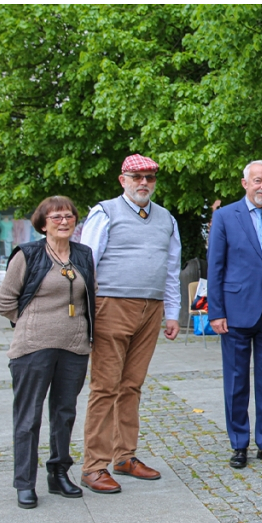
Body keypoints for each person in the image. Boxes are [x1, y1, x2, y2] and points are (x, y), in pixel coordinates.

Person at [80, 154, 181, 493]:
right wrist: (88, 311)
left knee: (132, 385)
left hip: (150, 308)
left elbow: (171, 267)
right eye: (136, 177)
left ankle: (124, 456)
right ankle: (94, 465)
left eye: (150, 178)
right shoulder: (105, 211)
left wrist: (172, 312)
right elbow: (87, 262)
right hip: (111, 304)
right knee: (105, 386)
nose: (144, 183)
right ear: (122, 179)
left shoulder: (166, 218)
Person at [0, 197, 94, 509]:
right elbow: (4, 301)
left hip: (74, 348)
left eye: (69, 216)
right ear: (43, 223)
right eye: (56, 217)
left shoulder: (83, 254)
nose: (64, 222)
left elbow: (89, 297)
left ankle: (59, 474)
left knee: (64, 415)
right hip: (32, 348)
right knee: (28, 418)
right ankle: (25, 483)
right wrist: (30, 324)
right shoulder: (28, 255)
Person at [208, 160, 262, 469]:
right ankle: (239, 444)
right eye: (258, 180)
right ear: (245, 183)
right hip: (235, 313)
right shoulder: (224, 217)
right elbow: (215, 267)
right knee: (236, 381)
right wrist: (215, 311)